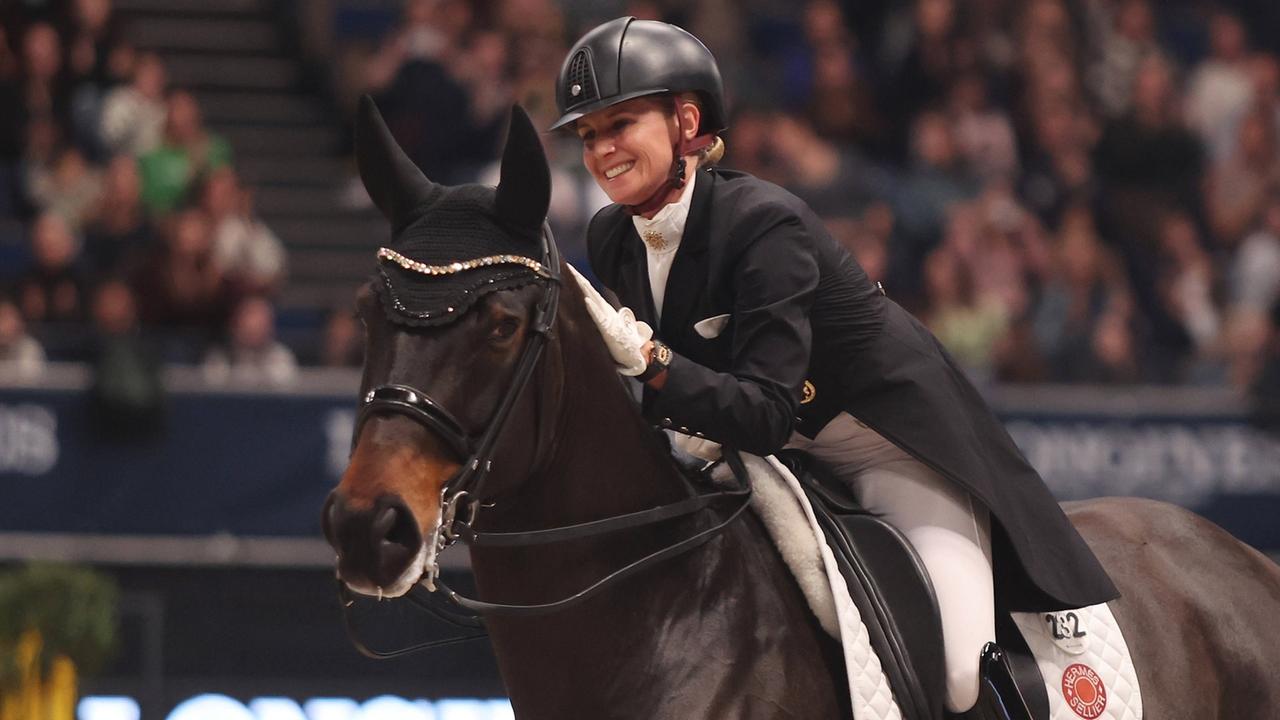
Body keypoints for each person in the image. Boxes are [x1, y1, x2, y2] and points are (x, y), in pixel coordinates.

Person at [551, 17, 1119, 717]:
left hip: (890, 447)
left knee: (959, 671)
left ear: (686, 120)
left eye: (621, 124)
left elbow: (761, 410)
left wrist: (649, 360)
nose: (603, 150)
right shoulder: (610, 235)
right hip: (782, 458)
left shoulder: (764, 225)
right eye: (588, 136)